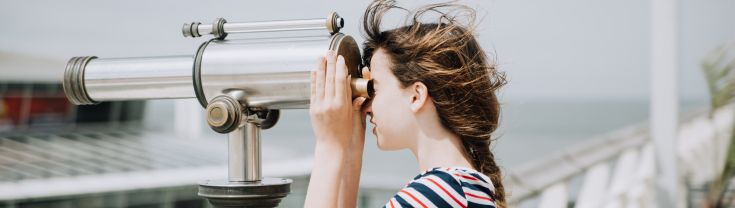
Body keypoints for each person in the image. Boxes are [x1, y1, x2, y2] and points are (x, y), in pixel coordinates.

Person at [305, 0, 507, 207]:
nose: (367, 106)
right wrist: (351, 149)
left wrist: (329, 145)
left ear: (416, 96)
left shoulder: (436, 192)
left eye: (375, 88)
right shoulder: (462, 188)